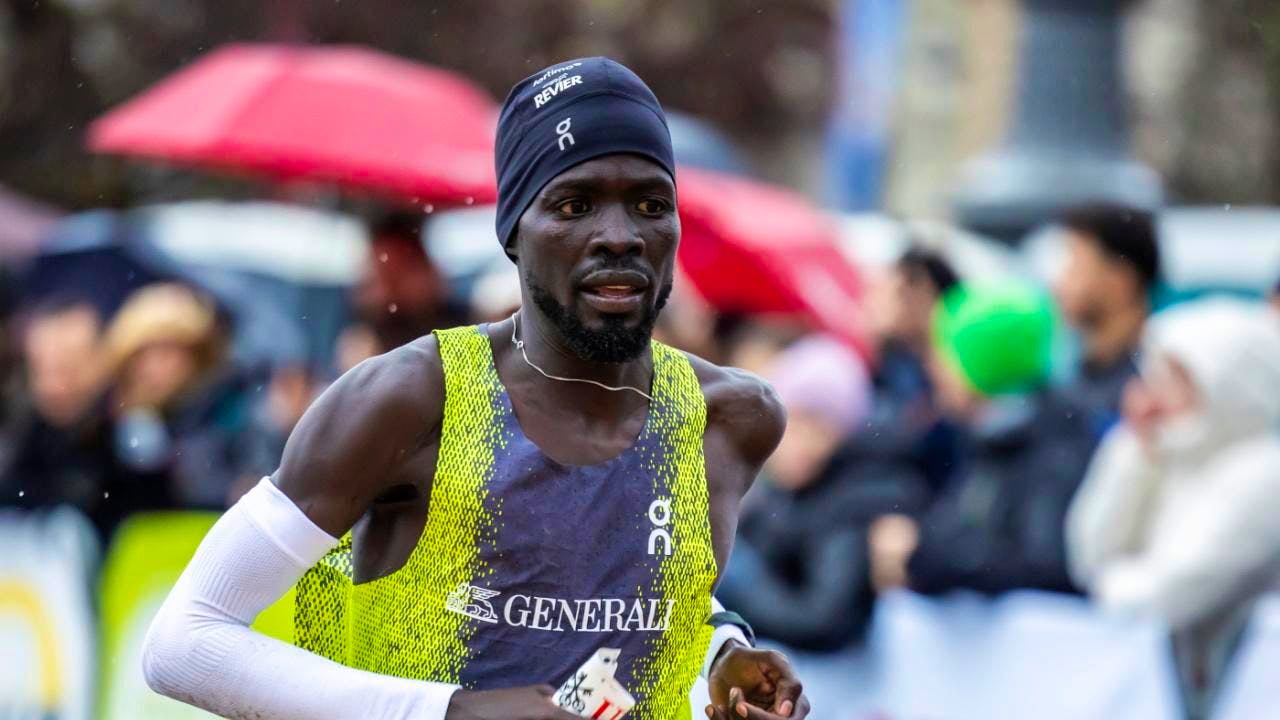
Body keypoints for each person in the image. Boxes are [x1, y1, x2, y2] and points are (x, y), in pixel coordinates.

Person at [142, 57, 810, 720]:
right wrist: (452, 712)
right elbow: (184, 642)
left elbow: (632, 616)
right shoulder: (409, 399)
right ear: (514, 230)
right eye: (574, 204)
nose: (619, 236)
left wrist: (722, 653)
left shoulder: (729, 419)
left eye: (650, 204)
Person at [1066, 298, 1280, 716]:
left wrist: (1111, 583)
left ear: (1229, 382)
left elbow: (1173, 591)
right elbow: (1088, 553)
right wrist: (1133, 451)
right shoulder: (1169, 458)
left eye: (1179, 377)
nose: (1158, 396)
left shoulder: (1264, 473)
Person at [868, 281, 1097, 596]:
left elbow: (1039, 565)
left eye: (944, 353)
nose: (932, 367)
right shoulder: (990, 437)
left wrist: (920, 555)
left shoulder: (1050, 448)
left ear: (982, 364)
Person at [717, 334, 893, 651]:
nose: (804, 443)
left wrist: (738, 581)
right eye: (796, 422)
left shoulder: (853, 501)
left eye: (822, 426)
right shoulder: (776, 490)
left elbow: (822, 619)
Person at [105, 283, 250, 508]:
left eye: (167, 353)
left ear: (196, 356)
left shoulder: (230, 412)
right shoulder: (113, 420)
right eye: (143, 355)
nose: (154, 367)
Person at [1052, 202, 1160, 432]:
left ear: (1120, 281)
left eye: (1075, 266)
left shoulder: (1152, 390)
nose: (1058, 284)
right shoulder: (1076, 375)